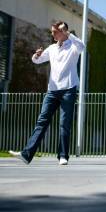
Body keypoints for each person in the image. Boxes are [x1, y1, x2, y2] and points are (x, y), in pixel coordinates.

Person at [9, 21, 84, 166]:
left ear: (63, 32)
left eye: (55, 32)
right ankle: (26, 154)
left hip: (69, 89)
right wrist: (36, 56)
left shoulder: (73, 47)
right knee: (42, 122)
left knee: (64, 124)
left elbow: (82, 46)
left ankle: (63, 156)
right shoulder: (51, 48)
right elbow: (37, 60)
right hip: (52, 91)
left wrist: (69, 34)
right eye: (52, 31)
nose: (52, 34)